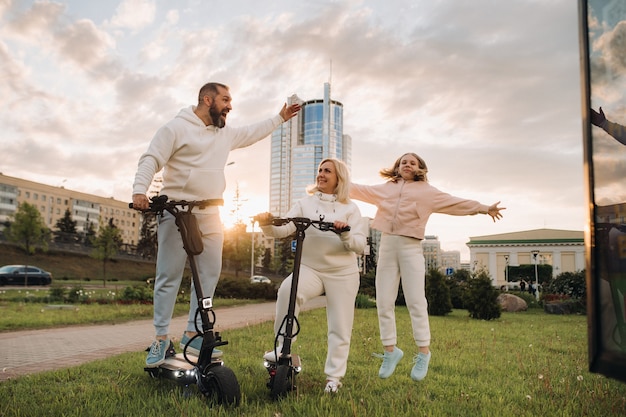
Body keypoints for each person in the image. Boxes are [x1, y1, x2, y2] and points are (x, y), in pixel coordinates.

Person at [132, 82, 301, 367]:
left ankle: (192, 333)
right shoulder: (175, 128)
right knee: (168, 276)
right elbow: (151, 158)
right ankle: (160, 339)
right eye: (225, 100)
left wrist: (280, 117)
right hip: (177, 211)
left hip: (212, 213)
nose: (230, 106)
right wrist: (139, 190)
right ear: (207, 99)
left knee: (209, 274)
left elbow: (251, 133)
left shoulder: (224, 134)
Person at [349, 152, 505, 382]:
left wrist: (483, 208)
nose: (407, 165)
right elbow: (358, 189)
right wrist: (335, 179)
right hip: (388, 247)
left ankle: (423, 352)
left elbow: (455, 202)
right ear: (397, 167)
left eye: (412, 162)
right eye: (403, 162)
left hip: (411, 248)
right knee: (383, 302)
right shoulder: (386, 188)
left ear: (420, 168)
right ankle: (390, 352)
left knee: (415, 301)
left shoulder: (428, 192)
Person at [256, 158, 367, 394]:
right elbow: (285, 229)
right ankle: (281, 350)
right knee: (287, 291)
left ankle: (333, 379)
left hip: (342, 273)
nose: (321, 174)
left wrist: (344, 233)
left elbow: (359, 245)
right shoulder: (304, 203)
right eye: (319, 170)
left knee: (340, 324)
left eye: (327, 171)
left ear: (339, 178)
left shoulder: (351, 209)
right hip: (310, 268)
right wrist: (266, 224)